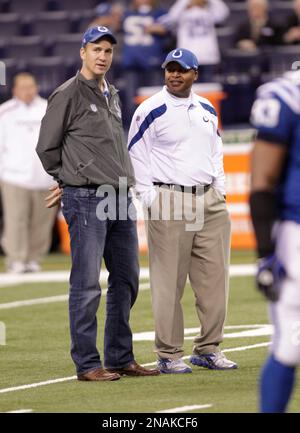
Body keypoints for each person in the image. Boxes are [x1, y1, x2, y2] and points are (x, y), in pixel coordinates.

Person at [36, 26, 159, 381]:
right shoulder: (67, 94)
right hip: (86, 197)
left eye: (108, 50)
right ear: (82, 52)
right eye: (96, 49)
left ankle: (120, 357)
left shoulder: (113, 93)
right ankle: (88, 363)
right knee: (87, 282)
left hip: (119, 196)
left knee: (127, 279)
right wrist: (67, 178)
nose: (103, 56)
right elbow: (46, 147)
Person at [128, 48, 238, 373]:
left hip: (209, 199)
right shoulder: (150, 108)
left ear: (195, 74)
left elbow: (216, 149)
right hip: (170, 198)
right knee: (169, 282)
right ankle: (168, 354)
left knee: (215, 281)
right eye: (170, 70)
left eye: (182, 70)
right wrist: (150, 198)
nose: (175, 75)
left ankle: (208, 348)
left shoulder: (206, 107)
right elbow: (136, 154)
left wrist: (220, 190)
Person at [249, 71, 300, 412]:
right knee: (290, 344)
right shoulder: (286, 95)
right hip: (296, 232)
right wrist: (266, 253)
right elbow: (262, 180)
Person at [0, 72, 56, 273]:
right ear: (15, 90)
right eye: (23, 87)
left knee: (41, 221)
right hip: (15, 177)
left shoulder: (48, 109)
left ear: (36, 88)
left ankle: (34, 258)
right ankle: (16, 259)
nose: (27, 91)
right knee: (16, 220)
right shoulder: (5, 112)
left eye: (31, 86)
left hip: (44, 178)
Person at [159, 0, 229, 82]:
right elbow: (171, 17)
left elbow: (224, 12)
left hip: (208, 55)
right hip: (187, 57)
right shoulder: (182, 12)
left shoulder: (210, 11)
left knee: (209, 87)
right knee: (189, 88)